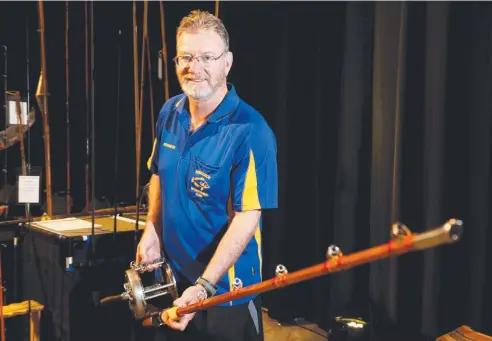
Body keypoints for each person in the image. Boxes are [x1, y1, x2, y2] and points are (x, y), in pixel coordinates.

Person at [136, 9, 278, 341]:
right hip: (177, 282)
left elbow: (247, 218)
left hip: (226, 291)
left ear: (226, 63)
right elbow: (158, 174)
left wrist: (204, 287)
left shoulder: (251, 131)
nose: (193, 68)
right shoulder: (169, 112)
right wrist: (152, 231)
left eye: (206, 58)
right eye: (185, 57)